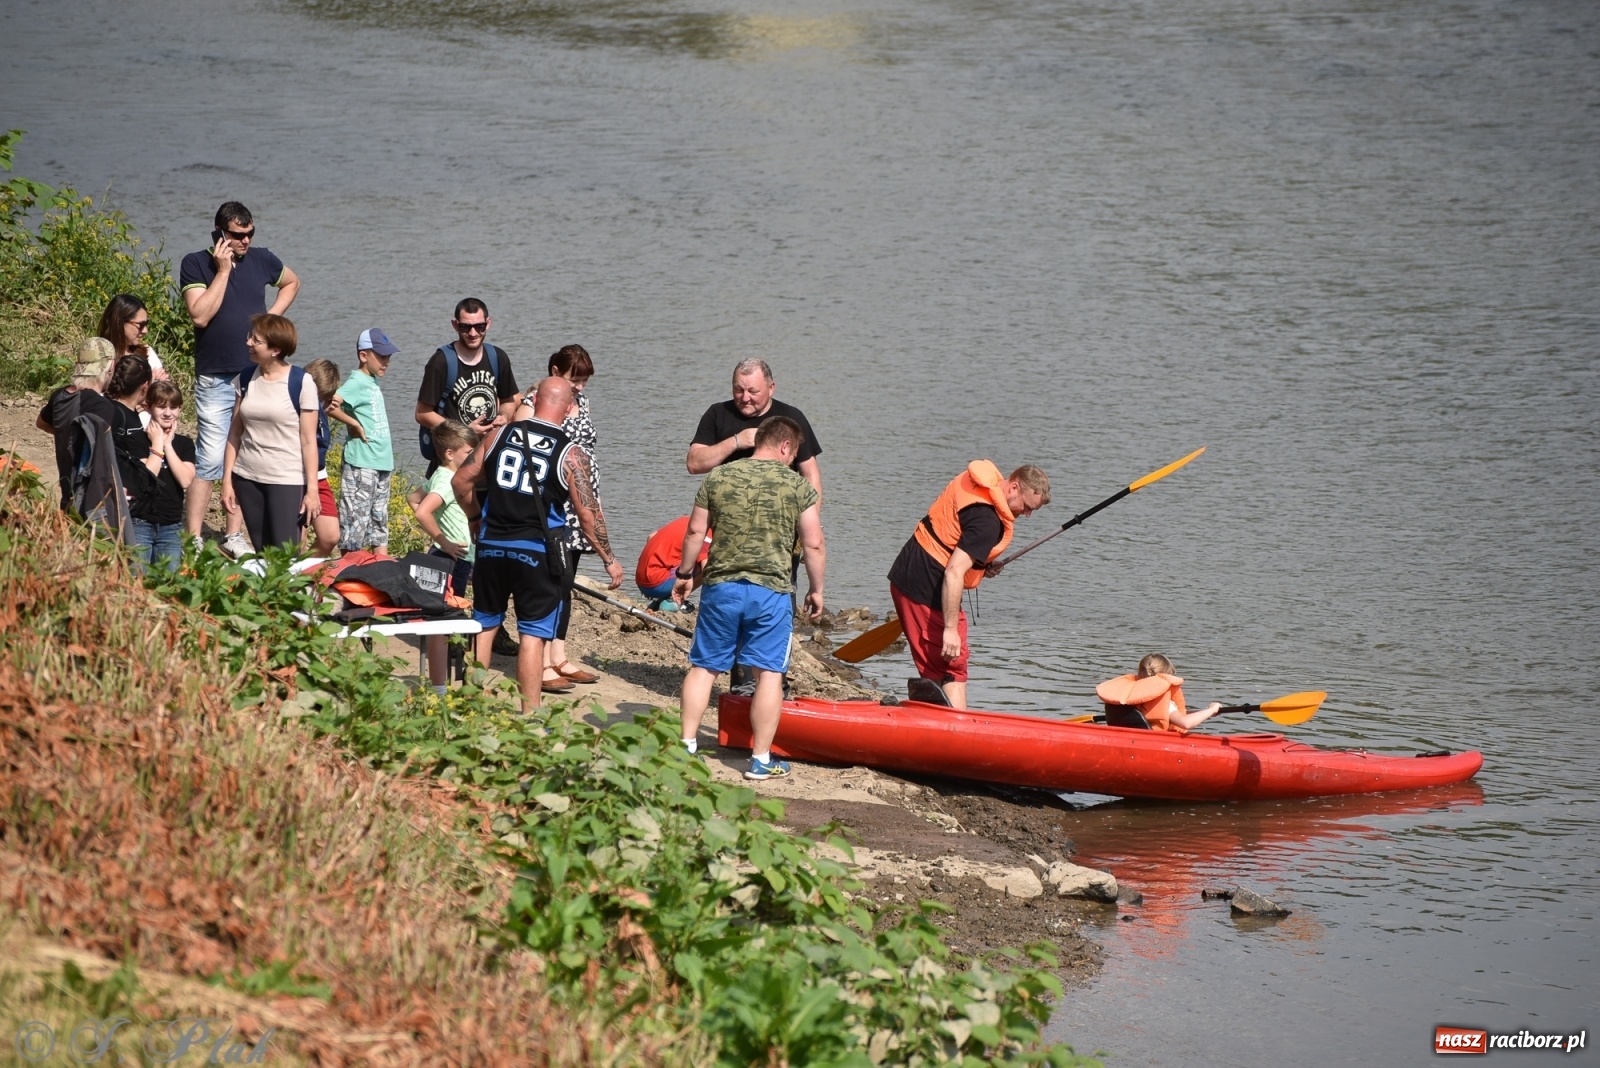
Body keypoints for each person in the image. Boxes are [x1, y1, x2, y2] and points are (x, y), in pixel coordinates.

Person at [451, 377, 623, 712]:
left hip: (491, 545)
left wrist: (475, 519)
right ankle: (529, 716)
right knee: (533, 634)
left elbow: (461, 482)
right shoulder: (571, 453)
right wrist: (609, 558)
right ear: (570, 407)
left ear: (535, 399)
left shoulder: (498, 434)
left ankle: (469, 707)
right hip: (536, 552)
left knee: (485, 623)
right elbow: (589, 518)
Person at [673, 416, 825, 781]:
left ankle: (685, 747)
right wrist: (816, 589)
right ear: (786, 447)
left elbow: (695, 530)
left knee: (704, 667)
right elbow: (814, 543)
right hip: (770, 592)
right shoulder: (797, 486)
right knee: (769, 675)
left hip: (721, 588)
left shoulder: (719, 476)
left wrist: (684, 573)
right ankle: (759, 760)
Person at [179, 201, 301, 556]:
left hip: (253, 376)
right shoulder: (196, 263)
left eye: (249, 234)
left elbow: (292, 282)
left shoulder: (262, 259)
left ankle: (233, 535)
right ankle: (195, 537)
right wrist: (223, 270)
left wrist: (268, 321)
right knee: (211, 457)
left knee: (245, 456)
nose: (245, 241)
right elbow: (199, 316)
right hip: (215, 376)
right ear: (219, 233)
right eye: (237, 235)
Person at [887, 461, 1050, 709]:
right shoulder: (988, 522)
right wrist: (950, 629)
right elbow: (953, 572)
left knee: (934, 663)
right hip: (925, 586)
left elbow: (953, 537)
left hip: (907, 572)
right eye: (1026, 507)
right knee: (953, 663)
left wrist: (980, 565)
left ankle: (932, 725)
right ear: (1014, 487)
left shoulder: (976, 484)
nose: (1026, 515)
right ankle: (956, 733)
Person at [219, 314, 319, 553]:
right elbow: (234, 433)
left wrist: (312, 490)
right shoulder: (245, 378)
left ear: (275, 349)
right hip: (248, 478)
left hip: (286, 480)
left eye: (256, 340)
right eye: (250, 337)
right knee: (263, 553)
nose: (248, 344)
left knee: (286, 556)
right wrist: (227, 480)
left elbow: (308, 441)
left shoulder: (301, 382)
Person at [542, 344, 602, 691]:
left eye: (584, 381)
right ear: (555, 371)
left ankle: (559, 654)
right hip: (558, 502)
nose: (579, 387)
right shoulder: (542, 399)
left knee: (567, 581)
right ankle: (545, 659)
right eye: (573, 379)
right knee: (553, 579)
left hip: (583, 502)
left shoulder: (584, 403)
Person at [686, 358, 823, 501]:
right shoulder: (717, 413)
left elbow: (810, 474)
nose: (745, 398)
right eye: (739, 390)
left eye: (753, 391)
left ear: (771, 388)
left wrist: (812, 518)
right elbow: (693, 465)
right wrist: (736, 442)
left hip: (778, 508)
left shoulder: (792, 417)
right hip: (728, 507)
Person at [410, 419, 480, 693]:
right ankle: (444, 685)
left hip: (446, 557)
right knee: (446, 621)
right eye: (467, 453)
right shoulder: (448, 480)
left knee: (445, 620)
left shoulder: (440, 475)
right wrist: (444, 540)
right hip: (452, 559)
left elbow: (413, 498)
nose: (472, 458)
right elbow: (421, 511)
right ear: (449, 453)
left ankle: (444, 682)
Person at [414, 298, 520, 473]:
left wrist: (504, 416)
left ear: (488, 323)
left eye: (479, 327)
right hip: (453, 463)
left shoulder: (498, 357)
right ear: (455, 325)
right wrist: (465, 431)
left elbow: (509, 400)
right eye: (465, 327)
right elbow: (422, 413)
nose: (473, 333)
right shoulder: (441, 362)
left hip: (490, 459)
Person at [331, 329, 397, 555]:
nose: (386, 362)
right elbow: (331, 404)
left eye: (388, 356)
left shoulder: (372, 380)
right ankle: (348, 576)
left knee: (379, 522)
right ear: (363, 356)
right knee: (354, 522)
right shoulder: (357, 381)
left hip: (381, 462)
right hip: (362, 463)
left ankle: (383, 573)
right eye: (381, 356)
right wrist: (354, 424)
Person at [37, 337, 117, 512]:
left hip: (67, 496)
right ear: (110, 367)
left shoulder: (60, 396)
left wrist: (65, 434)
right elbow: (100, 455)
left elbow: (41, 423)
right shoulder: (102, 406)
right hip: (90, 503)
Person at [127, 379, 196, 571]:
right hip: (140, 522)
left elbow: (185, 479)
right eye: (161, 407)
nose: (168, 413)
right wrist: (157, 443)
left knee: (169, 584)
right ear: (148, 407)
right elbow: (147, 476)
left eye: (173, 407)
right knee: (137, 580)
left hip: (171, 526)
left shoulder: (184, 444)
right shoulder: (136, 440)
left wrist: (167, 445)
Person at [1097, 654, 1222, 734]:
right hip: (1151, 745)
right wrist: (1211, 710)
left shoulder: (1128, 696)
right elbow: (1186, 723)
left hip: (1128, 741)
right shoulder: (1166, 703)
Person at [302, 359, 342, 557]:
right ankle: (288, 581)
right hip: (295, 475)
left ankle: (302, 572)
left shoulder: (321, 409)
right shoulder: (294, 404)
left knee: (330, 536)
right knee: (296, 539)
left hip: (319, 475)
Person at [635, 515, 711, 608]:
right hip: (656, 585)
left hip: (641, 580)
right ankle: (674, 600)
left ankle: (659, 602)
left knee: (688, 557)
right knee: (710, 567)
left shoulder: (684, 520)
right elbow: (707, 570)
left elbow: (651, 536)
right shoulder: (706, 532)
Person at [97, 294, 167, 382]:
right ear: (119, 323)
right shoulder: (98, 358)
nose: (145, 330)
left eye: (146, 324)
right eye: (140, 325)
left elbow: (165, 391)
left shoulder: (147, 353)